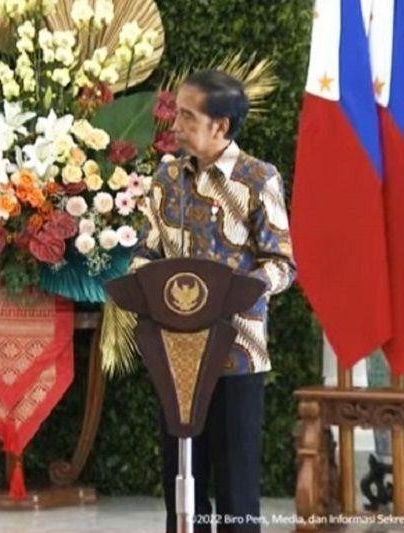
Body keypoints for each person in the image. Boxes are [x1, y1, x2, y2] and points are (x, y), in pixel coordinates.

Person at [131, 70, 295, 532]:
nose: (175, 125)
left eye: (187, 116)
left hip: (237, 355)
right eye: (177, 113)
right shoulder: (165, 178)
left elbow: (282, 263)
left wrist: (234, 296)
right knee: (182, 480)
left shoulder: (258, 178)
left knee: (237, 486)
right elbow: (147, 252)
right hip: (176, 355)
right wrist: (141, 280)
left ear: (221, 126)